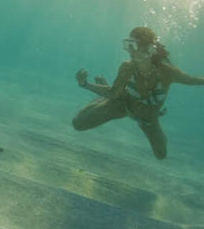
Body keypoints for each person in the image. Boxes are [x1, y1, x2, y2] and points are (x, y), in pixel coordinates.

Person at [72, 26, 204, 159]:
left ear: (150, 49)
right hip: (122, 104)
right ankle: (101, 96)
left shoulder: (167, 72)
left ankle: (103, 90)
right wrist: (84, 84)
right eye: (128, 45)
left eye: (134, 46)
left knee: (161, 155)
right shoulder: (127, 67)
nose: (130, 51)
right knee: (78, 124)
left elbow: (193, 80)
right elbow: (113, 93)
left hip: (148, 120)